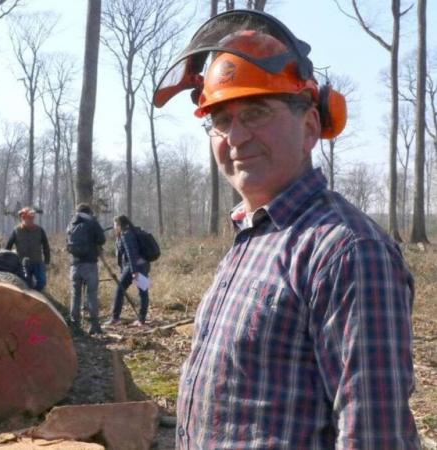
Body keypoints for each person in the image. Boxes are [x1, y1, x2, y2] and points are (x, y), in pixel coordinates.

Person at [152, 10, 419, 449]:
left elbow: (376, 436)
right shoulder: (254, 235)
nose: (235, 137)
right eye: (220, 119)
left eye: (255, 112)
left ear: (311, 126)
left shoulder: (348, 252)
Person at [66, 203, 106, 335]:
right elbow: (102, 239)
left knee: (75, 295)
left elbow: (68, 243)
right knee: (91, 296)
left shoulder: (71, 223)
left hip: (75, 265)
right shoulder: (92, 222)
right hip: (90, 265)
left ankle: (75, 325)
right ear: (89, 212)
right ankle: (94, 326)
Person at [104, 215, 150, 328]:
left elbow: (131, 253)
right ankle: (141, 319)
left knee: (120, 289)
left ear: (119, 224)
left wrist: (134, 271)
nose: (114, 227)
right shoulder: (134, 231)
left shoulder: (126, 235)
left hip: (132, 267)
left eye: (115, 224)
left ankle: (115, 318)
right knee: (143, 292)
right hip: (142, 265)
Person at [4, 207, 50, 291]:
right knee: (25, 284)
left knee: (42, 282)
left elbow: (46, 246)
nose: (30, 221)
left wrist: (47, 261)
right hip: (22, 263)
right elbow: (8, 246)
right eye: (28, 219)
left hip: (37, 261)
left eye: (32, 219)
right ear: (23, 218)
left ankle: (37, 294)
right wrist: (7, 261)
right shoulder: (16, 231)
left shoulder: (39, 230)